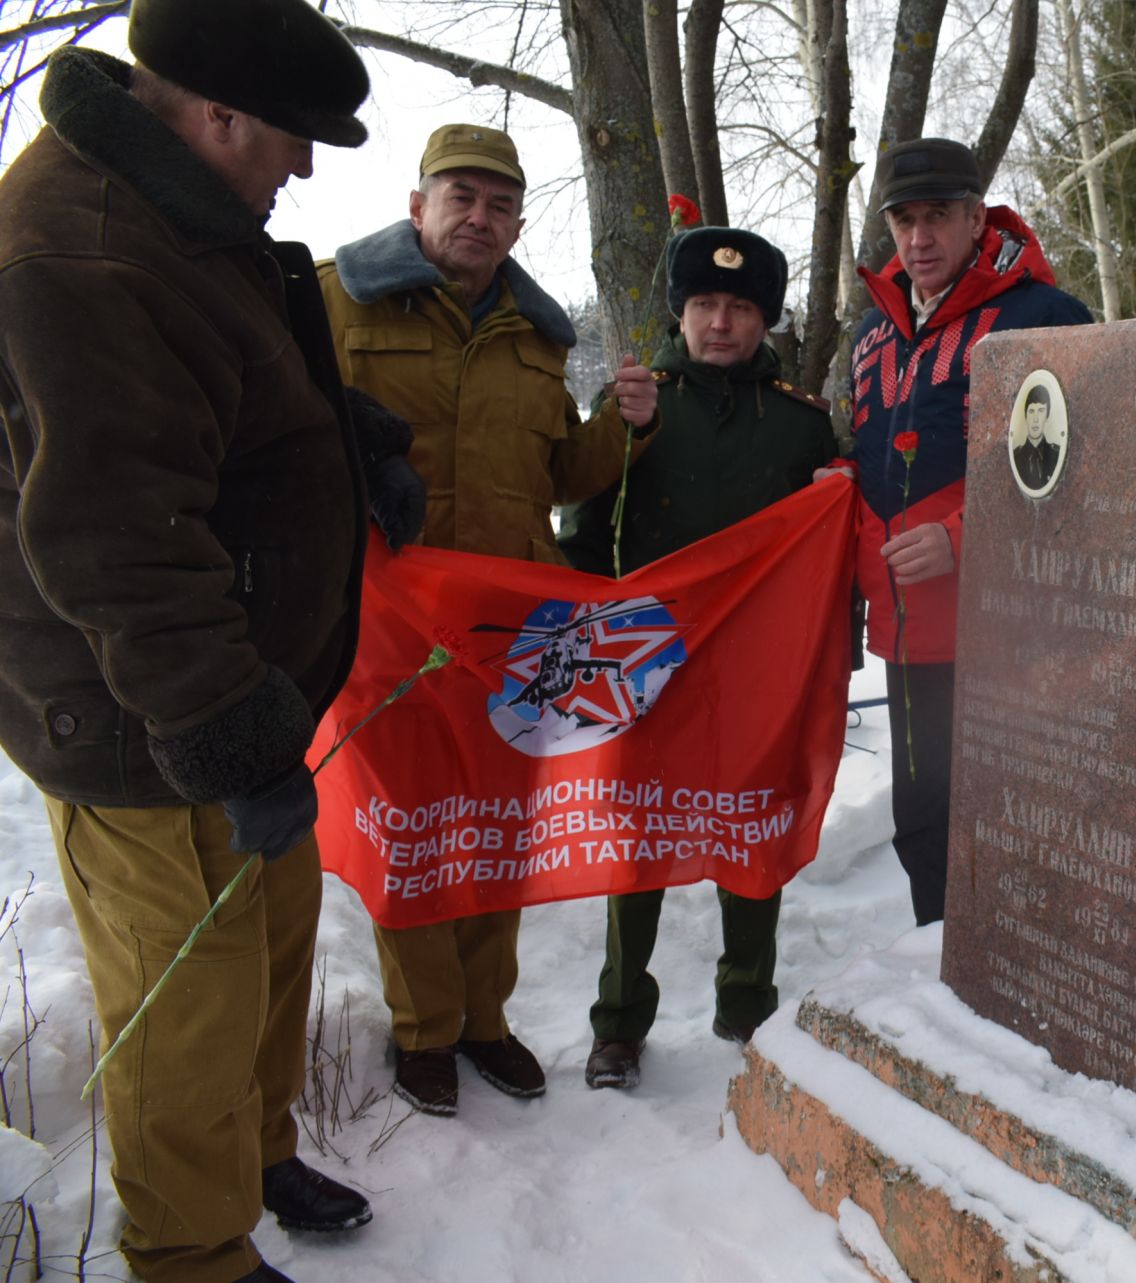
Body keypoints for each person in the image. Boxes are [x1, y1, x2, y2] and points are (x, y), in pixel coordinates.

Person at [0, 0, 418, 1276]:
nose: (304, 168)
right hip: (143, 707)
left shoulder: (181, 204)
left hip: (236, 685)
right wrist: (229, 734)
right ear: (219, 114)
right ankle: (193, 1249)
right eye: (295, 139)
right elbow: (113, 532)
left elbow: (210, 392)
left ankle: (255, 1152)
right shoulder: (86, 251)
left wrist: (347, 445)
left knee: (271, 939)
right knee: (186, 995)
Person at [317, 124, 658, 1118]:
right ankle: (424, 1029)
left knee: (500, 831)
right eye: (460, 195)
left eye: (500, 203)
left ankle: (483, 1018)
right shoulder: (338, 301)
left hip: (518, 635)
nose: (480, 216)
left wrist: (625, 431)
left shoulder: (541, 336)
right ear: (417, 203)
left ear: (517, 222)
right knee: (415, 829)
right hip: (395, 629)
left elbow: (564, 478)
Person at [554, 228, 837, 1089]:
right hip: (647, 664)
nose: (722, 322)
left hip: (758, 674)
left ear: (764, 318)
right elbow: (583, 536)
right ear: (680, 311)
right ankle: (617, 1023)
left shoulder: (800, 426)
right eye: (706, 305)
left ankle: (748, 1002)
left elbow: (825, 561)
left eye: (741, 307)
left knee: (752, 830)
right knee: (636, 841)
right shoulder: (638, 405)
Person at [831, 138, 1092, 926]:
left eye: (938, 215)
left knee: (1017, 824)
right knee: (924, 824)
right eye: (903, 219)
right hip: (910, 634)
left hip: (1012, 630)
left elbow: (1084, 467)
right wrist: (839, 486)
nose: (919, 237)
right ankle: (942, 984)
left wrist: (963, 535)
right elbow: (871, 455)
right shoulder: (871, 332)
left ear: (977, 216)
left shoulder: (1043, 316)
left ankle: (1023, 987)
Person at [1011, 385, 1061, 491]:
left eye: (1041, 411)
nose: (1035, 419)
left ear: (1047, 416)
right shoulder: (1016, 455)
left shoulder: (1056, 454)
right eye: (1031, 411)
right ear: (1025, 416)